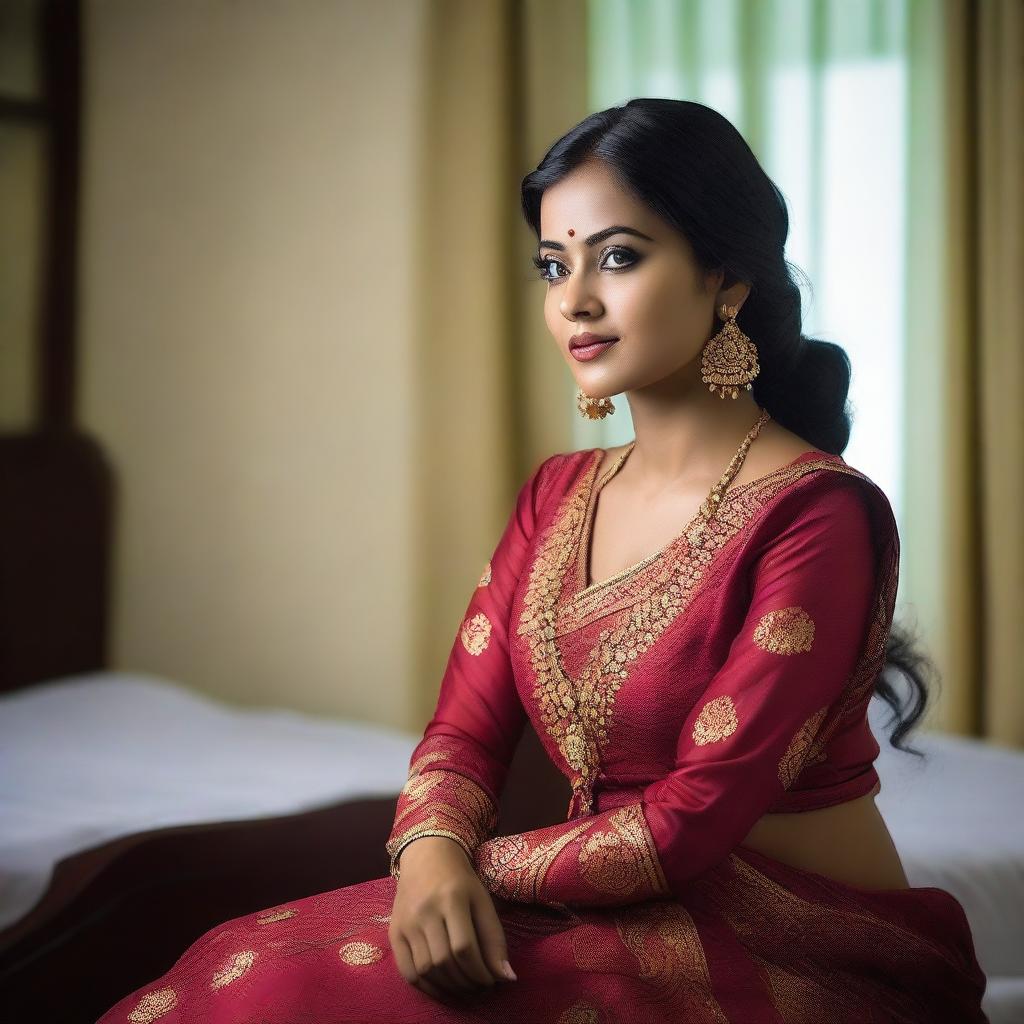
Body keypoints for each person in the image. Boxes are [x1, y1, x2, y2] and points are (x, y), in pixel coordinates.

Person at [99, 98, 990, 1024]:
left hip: (802, 941)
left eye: (618, 256)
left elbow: (694, 818)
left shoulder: (819, 513)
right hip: (607, 906)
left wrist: (463, 868)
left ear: (725, 280)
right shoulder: (558, 494)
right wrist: (428, 855)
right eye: (553, 266)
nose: (575, 301)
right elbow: (464, 734)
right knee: (244, 962)